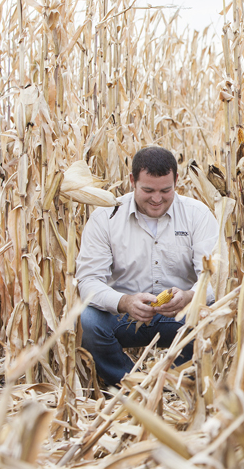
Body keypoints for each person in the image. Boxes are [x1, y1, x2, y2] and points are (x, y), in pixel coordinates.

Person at [76, 146, 218, 386]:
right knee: (87, 321)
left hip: (182, 316)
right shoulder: (105, 217)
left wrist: (190, 296)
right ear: (132, 181)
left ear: (176, 181)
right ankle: (131, 385)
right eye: (148, 190)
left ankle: (178, 383)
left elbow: (215, 277)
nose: (156, 198)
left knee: (211, 315)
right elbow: (88, 281)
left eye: (166, 190)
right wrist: (124, 302)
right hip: (123, 317)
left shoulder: (198, 215)